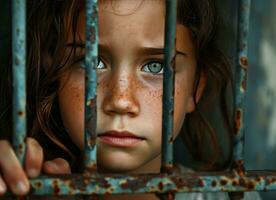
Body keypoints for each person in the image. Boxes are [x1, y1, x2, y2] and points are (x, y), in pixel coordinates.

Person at [0, 0, 261, 199]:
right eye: (92, 61)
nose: (121, 101)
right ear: (54, 73)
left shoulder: (232, 194)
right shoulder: (29, 189)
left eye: (155, 67)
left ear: (196, 88)